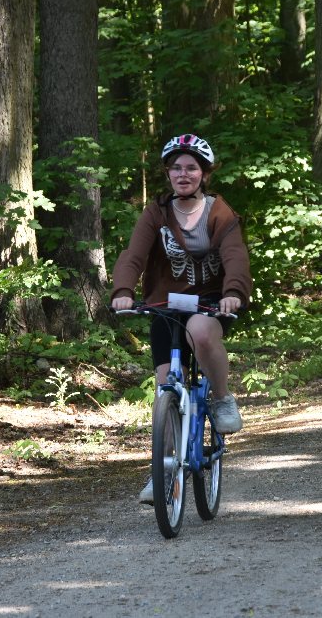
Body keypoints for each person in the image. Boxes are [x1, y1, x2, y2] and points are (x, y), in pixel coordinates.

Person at [110, 133, 252, 504]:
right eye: (176, 168)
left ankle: (221, 398)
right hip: (166, 304)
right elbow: (134, 254)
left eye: (191, 168)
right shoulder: (156, 212)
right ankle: (163, 473)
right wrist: (123, 290)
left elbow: (235, 256)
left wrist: (234, 293)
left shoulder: (220, 213)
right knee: (165, 389)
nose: (183, 174)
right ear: (168, 174)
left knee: (201, 334)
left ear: (204, 174)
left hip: (210, 303)